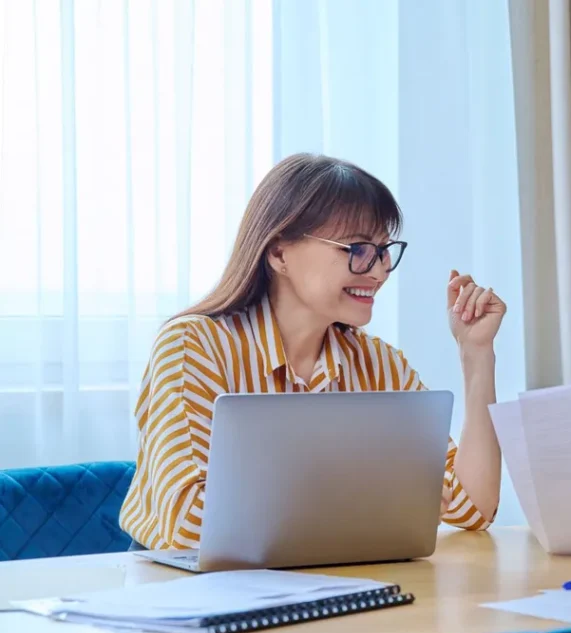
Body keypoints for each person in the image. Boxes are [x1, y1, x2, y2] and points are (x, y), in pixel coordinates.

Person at [120, 153, 504, 550]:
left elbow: (472, 506)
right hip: (189, 593)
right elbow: (188, 526)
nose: (377, 271)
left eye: (384, 250)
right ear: (279, 253)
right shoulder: (192, 347)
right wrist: (370, 495)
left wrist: (476, 354)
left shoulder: (380, 365)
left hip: (328, 580)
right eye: (357, 248)